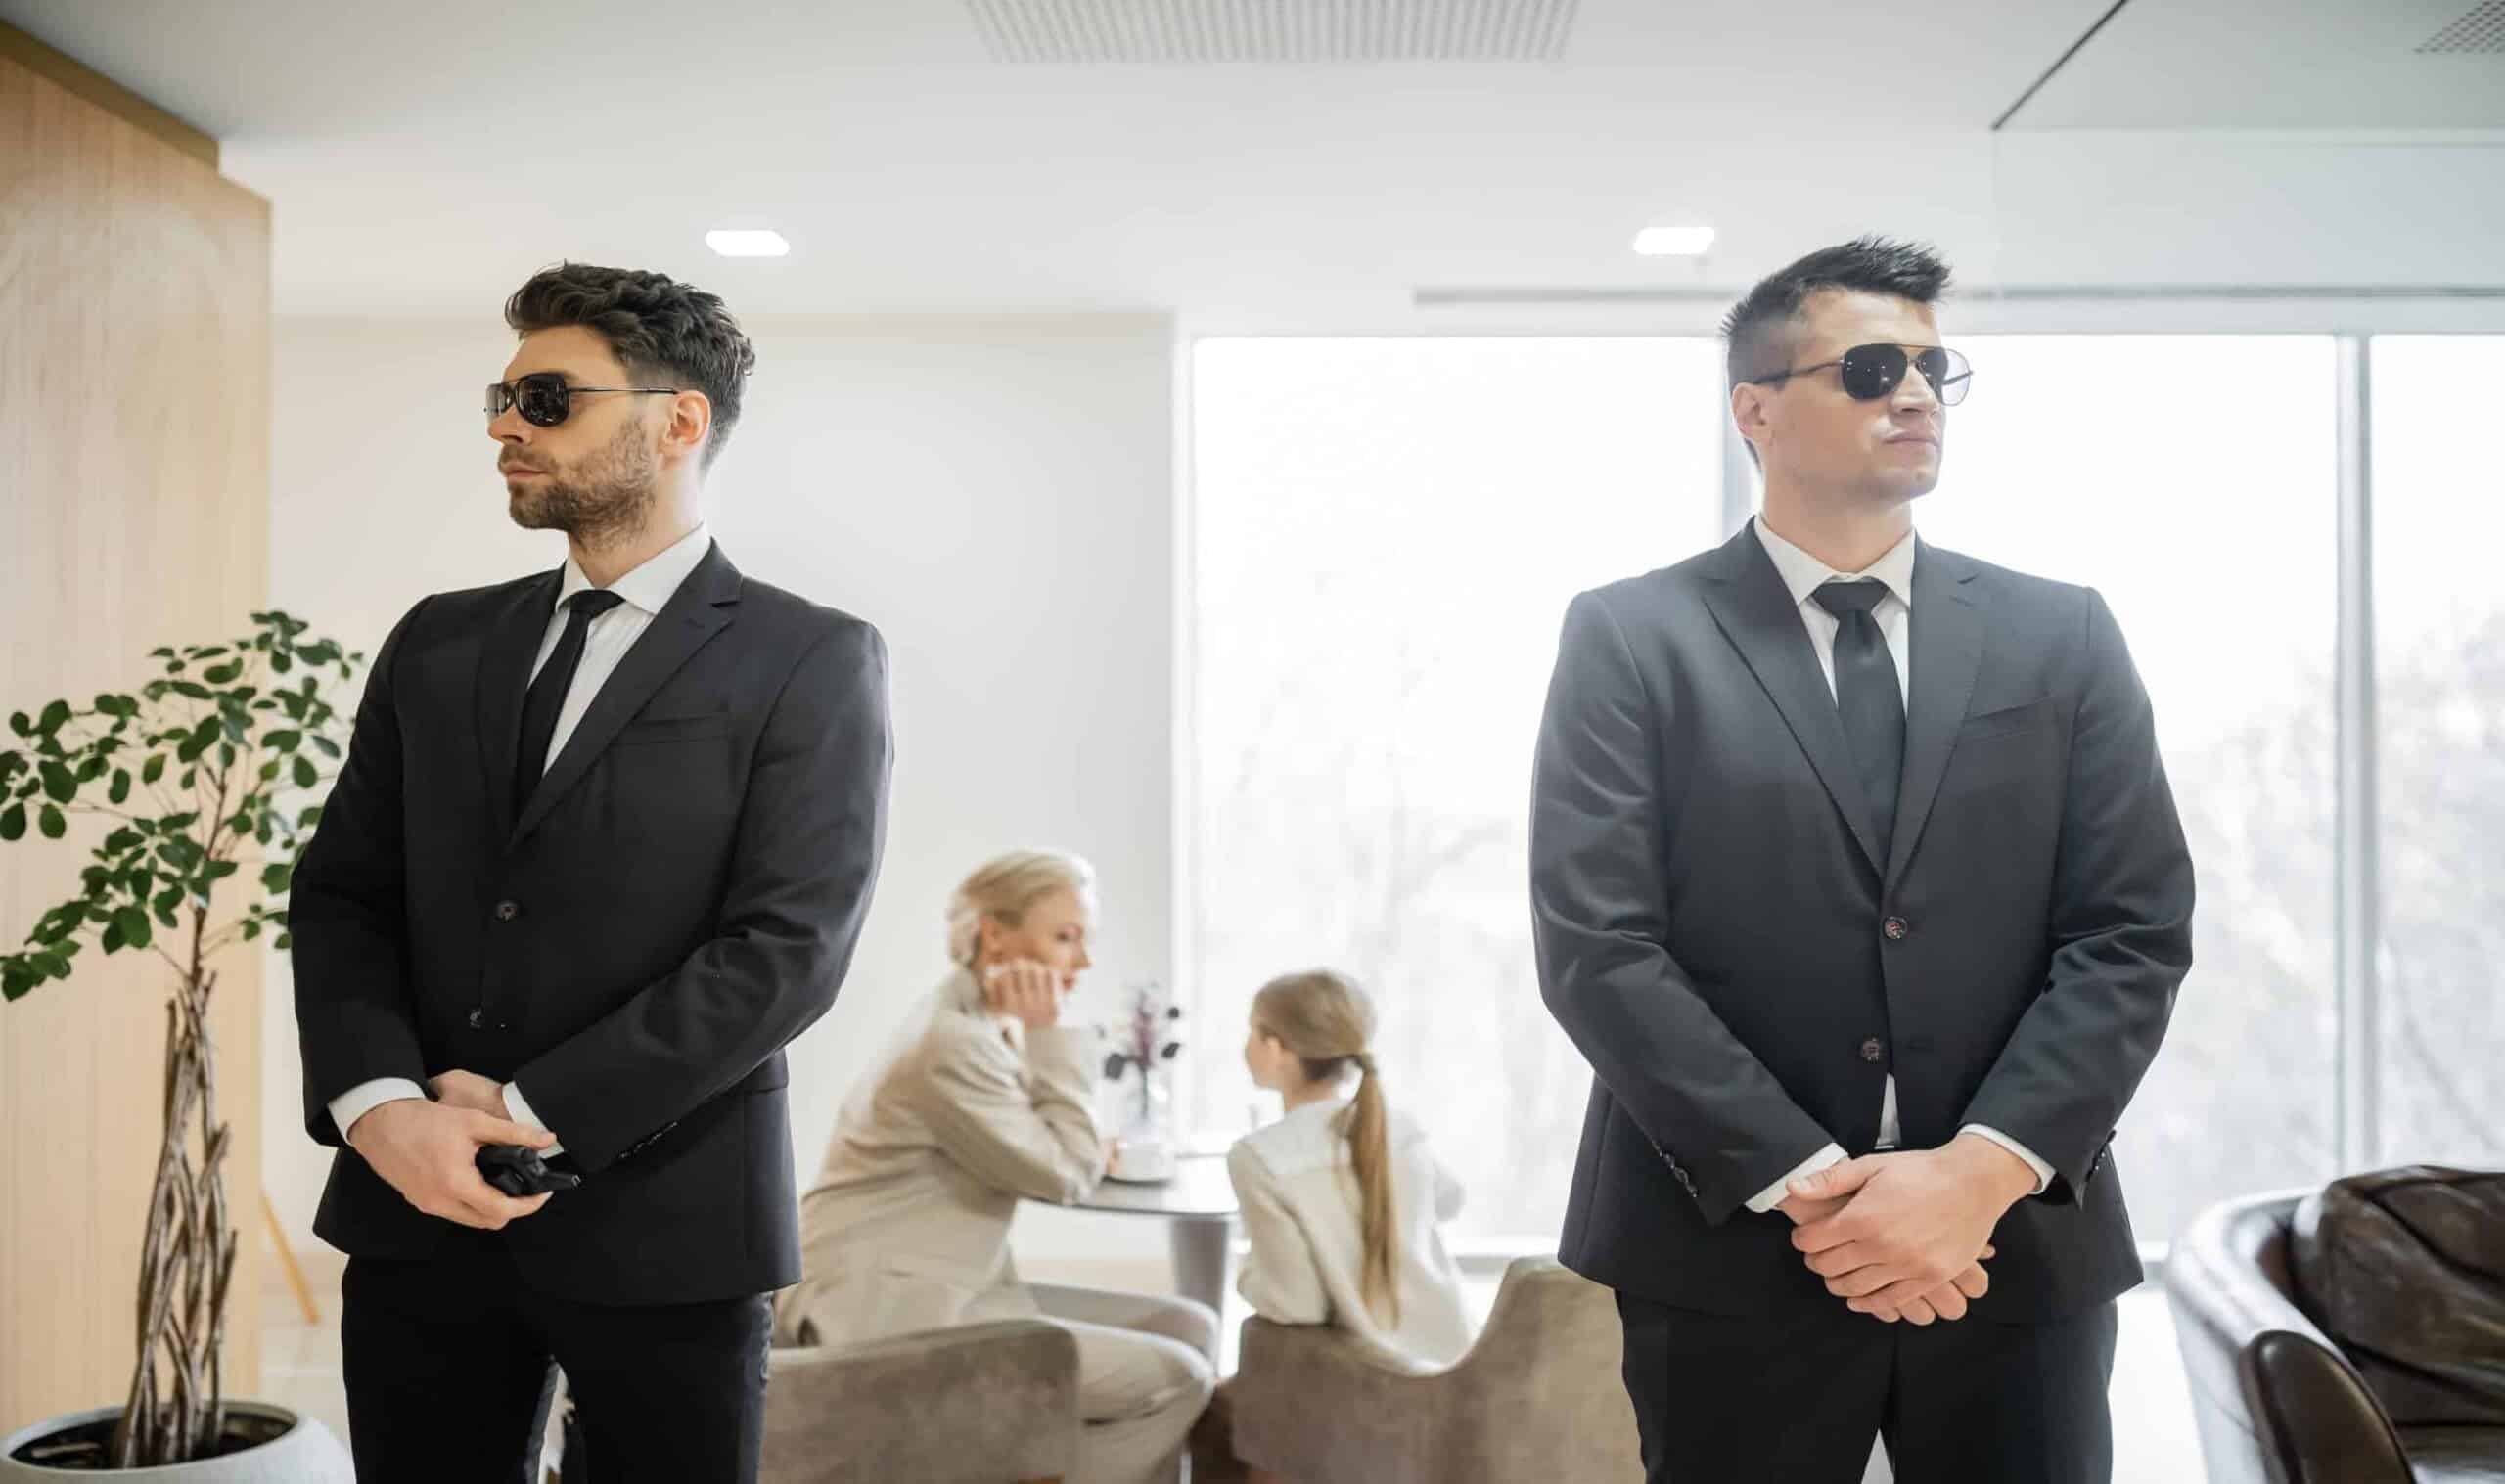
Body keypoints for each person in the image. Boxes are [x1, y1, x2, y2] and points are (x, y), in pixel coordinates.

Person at [1529, 236, 2195, 1483]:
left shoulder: (2065, 633)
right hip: (1728, 1249)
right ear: (1756, 409)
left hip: (2012, 1246)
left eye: (1937, 369)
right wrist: (1822, 1192)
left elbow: (2131, 930)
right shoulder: (1631, 636)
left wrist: (1975, 1173)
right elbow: (1599, 946)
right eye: (1874, 366)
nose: (1915, 394)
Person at [291, 262, 892, 1484]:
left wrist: (522, 1113)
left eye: (549, 397)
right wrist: (383, 1108)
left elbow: (787, 948)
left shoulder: (810, 655)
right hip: (413, 1208)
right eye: (501, 399)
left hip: (672, 1223)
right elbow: (343, 891)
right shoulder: (438, 638)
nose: (508, 425)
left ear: (680, 420)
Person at [775, 850, 1215, 1484]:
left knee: (1191, 1328)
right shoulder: (954, 1044)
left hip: (945, 1286)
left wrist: (1067, 1121)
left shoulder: (975, 1021)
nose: (1084, 962)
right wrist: (1050, 1035)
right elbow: (1065, 1174)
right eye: (1066, 938)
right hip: (882, 1306)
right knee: (1182, 1376)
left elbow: (1053, 1148)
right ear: (995, 934)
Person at [1228, 968, 1472, 1366]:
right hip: (1460, 1365)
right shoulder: (1397, 1128)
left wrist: (1246, 1272)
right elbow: (1450, 1201)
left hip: (1372, 1383)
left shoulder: (1259, 1157)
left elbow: (1296, 1303)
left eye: (1253, 1030)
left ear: (1276, 1049)